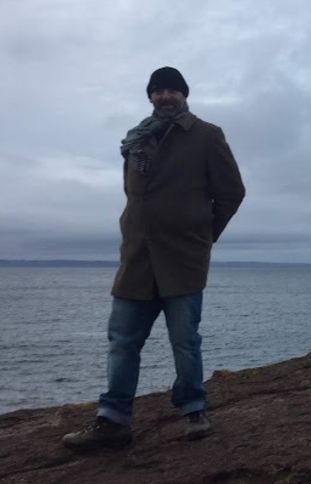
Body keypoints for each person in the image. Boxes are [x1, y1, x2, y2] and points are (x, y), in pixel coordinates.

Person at [63, 66, 245, 451]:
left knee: (185, 341)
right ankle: (113, 421)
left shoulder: (207, 136)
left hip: (183, 259)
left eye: (172, 90)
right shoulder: (136, 141)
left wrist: (203, 236)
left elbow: (232, 193)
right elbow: (135, 197)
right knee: (122, 342)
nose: (165, 96)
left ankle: (194, 410)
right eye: (158, 90)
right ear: (149, 96)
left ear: (185, 95)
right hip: (138, 260)